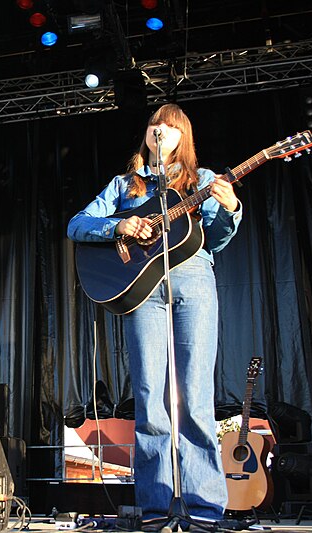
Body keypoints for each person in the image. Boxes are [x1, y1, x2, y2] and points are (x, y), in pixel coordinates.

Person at [66, 104, 242, 521]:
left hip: (193, 281)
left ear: (183, 136)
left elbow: (213, 241)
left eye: (168, 125)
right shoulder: (125, 185)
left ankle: (203, 507)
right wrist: (118, 227)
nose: (159, 130)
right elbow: (77, 224)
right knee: (148, 399)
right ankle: (155, 506)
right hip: (144, 292)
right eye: (152, 125)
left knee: (196, 397)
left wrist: (230, 207)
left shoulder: (201, 180)